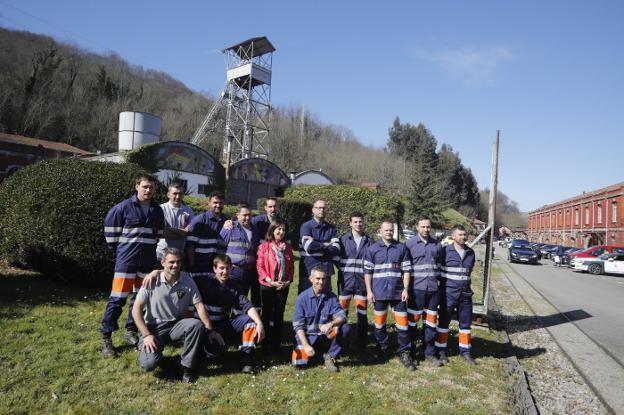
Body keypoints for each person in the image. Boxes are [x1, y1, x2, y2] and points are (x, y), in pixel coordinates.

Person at [100, 173, 165, 358]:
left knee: (139, 300)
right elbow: (111, 239)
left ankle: (131, 331)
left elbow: (158, 236)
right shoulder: (122, 208)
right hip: (126, 263)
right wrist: (123, 254)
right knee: (117, 300)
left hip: (146, 264)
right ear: (137, 186)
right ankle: (106, 338)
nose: (148, 190)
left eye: (151, 187)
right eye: (145, 186)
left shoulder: (157, 211)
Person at [132, 248, 213, 383]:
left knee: (196, 324)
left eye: (178, 262)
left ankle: (186, 367)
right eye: (171, 262)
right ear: (162, 262)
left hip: (176, 325)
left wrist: (210, 330)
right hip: (154, 328)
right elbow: (136, 310)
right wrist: (146, 335)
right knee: (148, 365)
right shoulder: (151, 281)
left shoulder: (187, 280)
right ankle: (167, 360)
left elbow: (199, 306)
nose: (175, 265)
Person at [195, 255, 265, 373]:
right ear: (214, 268)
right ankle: (203, 352)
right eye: (221, 268)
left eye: (227, 268)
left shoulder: (235, 286)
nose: (225, 272)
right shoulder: (204, 279)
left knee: (250, 322)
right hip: (205, 326)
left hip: (223, 323)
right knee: (215, 351)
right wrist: (156, 272)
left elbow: (247, 305)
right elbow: (182, 275)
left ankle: (246, 357)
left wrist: (259, 323)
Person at [364, 221, 415, 371]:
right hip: (379, 293)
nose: (388, 232)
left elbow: (406, 271)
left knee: (402, 324)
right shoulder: (372, 249)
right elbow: (367, 272)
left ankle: (404, 352)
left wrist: (405, 289)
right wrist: (369, 291)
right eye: (386, 230)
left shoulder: (401, 248)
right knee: (379, 323)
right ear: (380, 231)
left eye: (391, 230)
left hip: (398, 293)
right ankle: (382, 348)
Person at [292, 266, 346, 372]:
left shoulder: (331, 296)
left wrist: (331, 324)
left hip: (324, 335)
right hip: (308, 336)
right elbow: (298, 326)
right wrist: (306, 345)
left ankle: (330, 356)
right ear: (311, 279)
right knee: (299, 365)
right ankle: (320, 354)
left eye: (323, 279)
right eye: (318, 278)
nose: (321, 282)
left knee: (344, 328)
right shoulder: (301, 298)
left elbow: (342, 316)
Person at [405, 216, 443, 366]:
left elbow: (439, 266)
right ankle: (413, 352)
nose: (426, 229)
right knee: (413, 323)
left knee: (431, 323)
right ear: (417, 227)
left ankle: (430, 353)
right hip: (416, 290)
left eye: (428, 227)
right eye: (423, 227)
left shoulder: (437, 245)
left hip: (433, 290)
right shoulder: (409, 245)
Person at [437, 224, 477, 365]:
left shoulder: (470, 253)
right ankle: (441, 350)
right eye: (460, 235)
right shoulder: (444, 252)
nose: (463, 237)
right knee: (443, 322)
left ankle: (465, 352)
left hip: (465, 295)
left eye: (464, 234)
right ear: (453, 236)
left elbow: (468, 272)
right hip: (448, 293)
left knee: (465, 324)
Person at [257, 220, 294, 355]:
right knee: (267, 314)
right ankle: (265, 344)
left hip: (282, 286)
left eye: (283, 230)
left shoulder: (288, 248)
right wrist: (269, 281)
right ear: (272, 231)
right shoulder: (264, 247)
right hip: (267, 285)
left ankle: (276, 344)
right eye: (278, 229)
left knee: (279, 315)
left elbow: (291, 268)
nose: (281, 232)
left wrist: (288, 281)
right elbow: (260, 266)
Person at [337, 212, 372, 350]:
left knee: (362, 314)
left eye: (360, 221)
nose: (358, 224)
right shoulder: (342, 240)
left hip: (361, 284)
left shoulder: (369, 241)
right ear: (350, 223)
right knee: (341, 313)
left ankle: (362, 343)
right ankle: (341, 342)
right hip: (345, 282)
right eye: (355, 222)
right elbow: (336, 259)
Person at [220, 203, 261, 308]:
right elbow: (220, 248)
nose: (247, 217)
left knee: (242, 300)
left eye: (249, 215)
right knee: (230, 299)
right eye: (244, 215)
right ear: (237, 214)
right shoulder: (230, 227)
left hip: (248, 272)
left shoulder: (255, 230)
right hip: (233, 271)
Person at [298, 199, 340, 293]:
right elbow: (308, 247)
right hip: (308, 269)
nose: (321, 210)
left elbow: (336, 249)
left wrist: (315, 244)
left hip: (326, 270)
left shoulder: (331, 229)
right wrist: (325, 244)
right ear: (313, 210)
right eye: (319, 208)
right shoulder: (306, 227)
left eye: (324, 208)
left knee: (325, 299)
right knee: (307, 299)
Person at [186, 193, 227, 279]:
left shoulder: (226, 221)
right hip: (199, 267)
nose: (218, 205)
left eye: (220, 203)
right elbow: (190, 245)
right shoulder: (199, 220)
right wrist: (192, 266)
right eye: (215, 202)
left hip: (217, 268)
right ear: (209, 203)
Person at [156, 183, 194, 261]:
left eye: (180, 194)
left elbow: (189, 232)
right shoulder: (161, 209)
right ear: (168, 194)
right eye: (175, 193)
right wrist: (181, 232)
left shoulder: (189, 211)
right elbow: (163, 232)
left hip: (180, 255)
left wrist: (171, 230)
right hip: (162, 255)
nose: (177, 196)